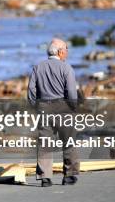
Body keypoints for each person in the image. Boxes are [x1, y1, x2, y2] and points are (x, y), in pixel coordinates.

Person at [28, 38, 80, 187]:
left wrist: (35, 106)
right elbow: (71, 92)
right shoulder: (66, 68)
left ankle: (45, 177)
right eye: (66, 50)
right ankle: (69, 175)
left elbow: (31, 91)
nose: (67, 53)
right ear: (60, 52)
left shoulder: (38, 67)